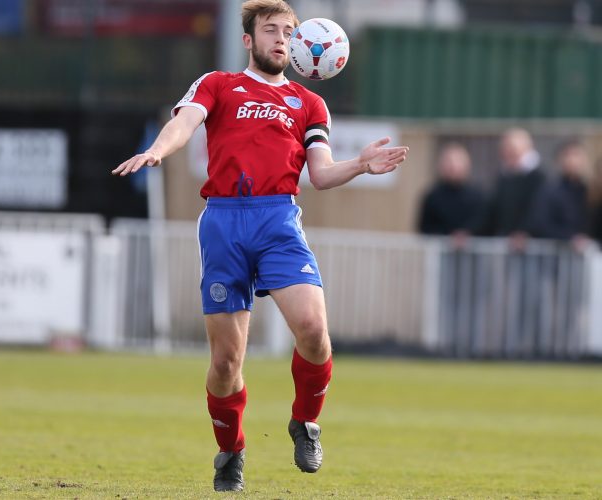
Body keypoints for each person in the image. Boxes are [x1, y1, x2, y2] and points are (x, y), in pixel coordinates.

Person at [113, 0, 408, 492]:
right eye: (270, 30)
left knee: (314, 329)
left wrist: (359, 164)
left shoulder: (309, 103)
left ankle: (305, 422)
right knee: (227, 363)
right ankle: (230, 451)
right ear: (248, 40)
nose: (281, 38)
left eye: (289, 31)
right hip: (225, 223)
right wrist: (156, 151)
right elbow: (185, 123)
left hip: (278, 221)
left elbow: (321, 173)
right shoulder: (218, 84)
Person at [474, 128, 547, 249]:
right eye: (506, 148)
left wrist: (524, 232)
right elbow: (493, 210)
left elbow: (538, 210)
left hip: (530, 245)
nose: (508, 152)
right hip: (505, 242)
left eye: (512, 148)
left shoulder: (539, 178)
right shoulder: (503, 177)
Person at [529, 140, 591, 248]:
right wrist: (569, 237)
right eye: (568, 155)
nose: (572, 160)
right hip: (557, 255)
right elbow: (541, 224)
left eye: (576, 155)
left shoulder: (589, 191)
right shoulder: (549, 190)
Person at [418, 142, 484, 238]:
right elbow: (425, 228)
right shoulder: (432, 196)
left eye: (458, 162)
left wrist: (466, 233)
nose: (453, 166)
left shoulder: (478, 196)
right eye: (449, 162)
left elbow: (483, 223)